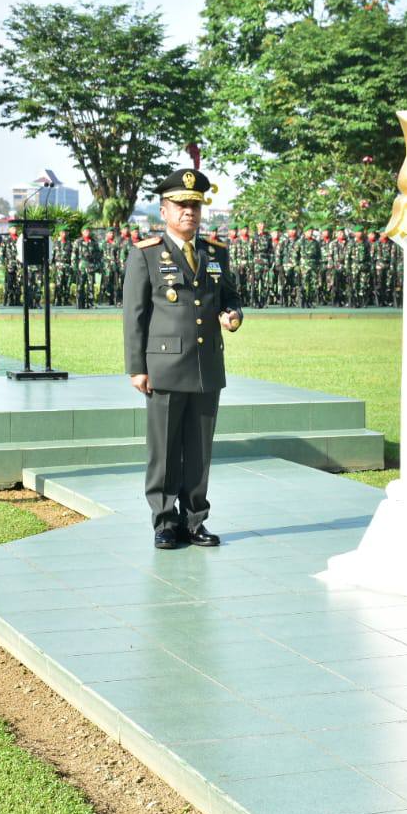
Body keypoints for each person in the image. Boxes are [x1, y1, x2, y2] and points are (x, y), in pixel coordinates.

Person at [122, 168, 244, 550]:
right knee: (164, 451)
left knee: (199, 451)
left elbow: (229, 296)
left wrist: (233, 314)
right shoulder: (146, 253)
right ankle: (164, 521)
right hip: (165, 367)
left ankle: (195, 520)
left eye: (194, 205)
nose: (189, 211)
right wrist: (137, 368)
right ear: (164, 211)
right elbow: (134, 314)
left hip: (206, 366)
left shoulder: (215, 253)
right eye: (181, 205)